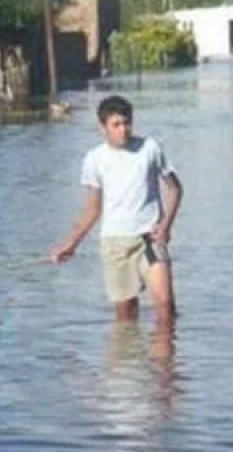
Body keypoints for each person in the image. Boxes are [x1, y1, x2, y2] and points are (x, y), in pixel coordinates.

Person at [50, 95, 184, 324]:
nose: (123, 129)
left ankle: (165, 359)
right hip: (115, 244)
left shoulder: (150, 148)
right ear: (102, 127)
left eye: (127, 123)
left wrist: (166, 226)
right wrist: (70, 245)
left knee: (165, 307)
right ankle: (129, 359)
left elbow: (175, 189)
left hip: (149, 239)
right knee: (126, 314)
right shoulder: (95, 159)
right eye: (116, 125)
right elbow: (92, 209)